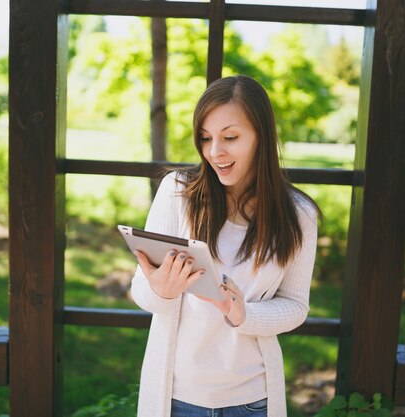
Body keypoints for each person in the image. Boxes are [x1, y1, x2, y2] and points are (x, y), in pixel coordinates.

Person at [130, 75, 319, 417]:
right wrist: (161, 290)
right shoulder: (178, 193)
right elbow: (143, 292)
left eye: (230, 137)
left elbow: (295, 306)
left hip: (251, 402)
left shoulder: (299, 214)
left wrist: (241, 312)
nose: (215, 152)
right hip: (175, 398)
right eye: (205, 138)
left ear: (262, 136)